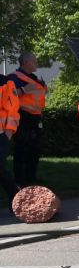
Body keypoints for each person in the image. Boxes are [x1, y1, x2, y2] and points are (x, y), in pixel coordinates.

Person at [9, 52, 46, 185]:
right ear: (25, 63)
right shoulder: (15, 77)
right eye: (34, 61)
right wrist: (24, 90)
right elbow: (9, 95)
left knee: (34, 149)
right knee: (22, 148)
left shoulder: (35, 78)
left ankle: (31, 178)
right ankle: (20, 180)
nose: (37, 63)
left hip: (35, 117)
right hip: (22, 116)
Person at [0, 75, 20, 211]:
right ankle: (15, 196)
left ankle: (15, 197)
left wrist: (8, 132)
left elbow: (12, 109)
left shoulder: (5, 82)